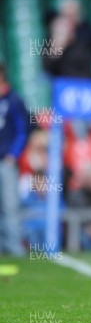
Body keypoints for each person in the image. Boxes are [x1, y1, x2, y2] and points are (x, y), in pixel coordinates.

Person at [0, 63, 29, 255]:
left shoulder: (13, 99)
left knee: (10, 205)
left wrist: (13, 154)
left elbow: (22, 129)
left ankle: (14, 246)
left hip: (5, 161)